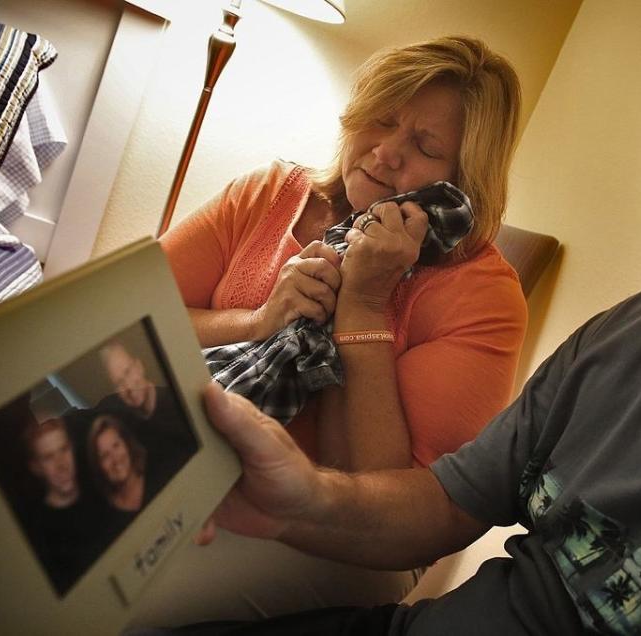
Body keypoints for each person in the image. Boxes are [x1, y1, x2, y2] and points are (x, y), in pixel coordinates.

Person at [145, 1, 641, 634]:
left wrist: (363, 305)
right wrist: (299, 498)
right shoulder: (633, 333)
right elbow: (449, 500)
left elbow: (390, 490)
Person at [134, 35, 528, 623]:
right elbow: (135, 319)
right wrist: (258, 321)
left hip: (339, 533)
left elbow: (385, 494)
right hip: (191, 447)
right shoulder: (270, 193)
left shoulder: (485, 298)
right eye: (382, 119)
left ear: (463, 177)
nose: (386, 152)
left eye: (424, 145)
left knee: (119, 599)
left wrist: (363, 304)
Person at [21, 417, 110, 596]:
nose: (62, 464)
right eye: (48, 457)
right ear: (36, 467)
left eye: (64, 449)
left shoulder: (103, 492)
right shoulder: (39, 534)